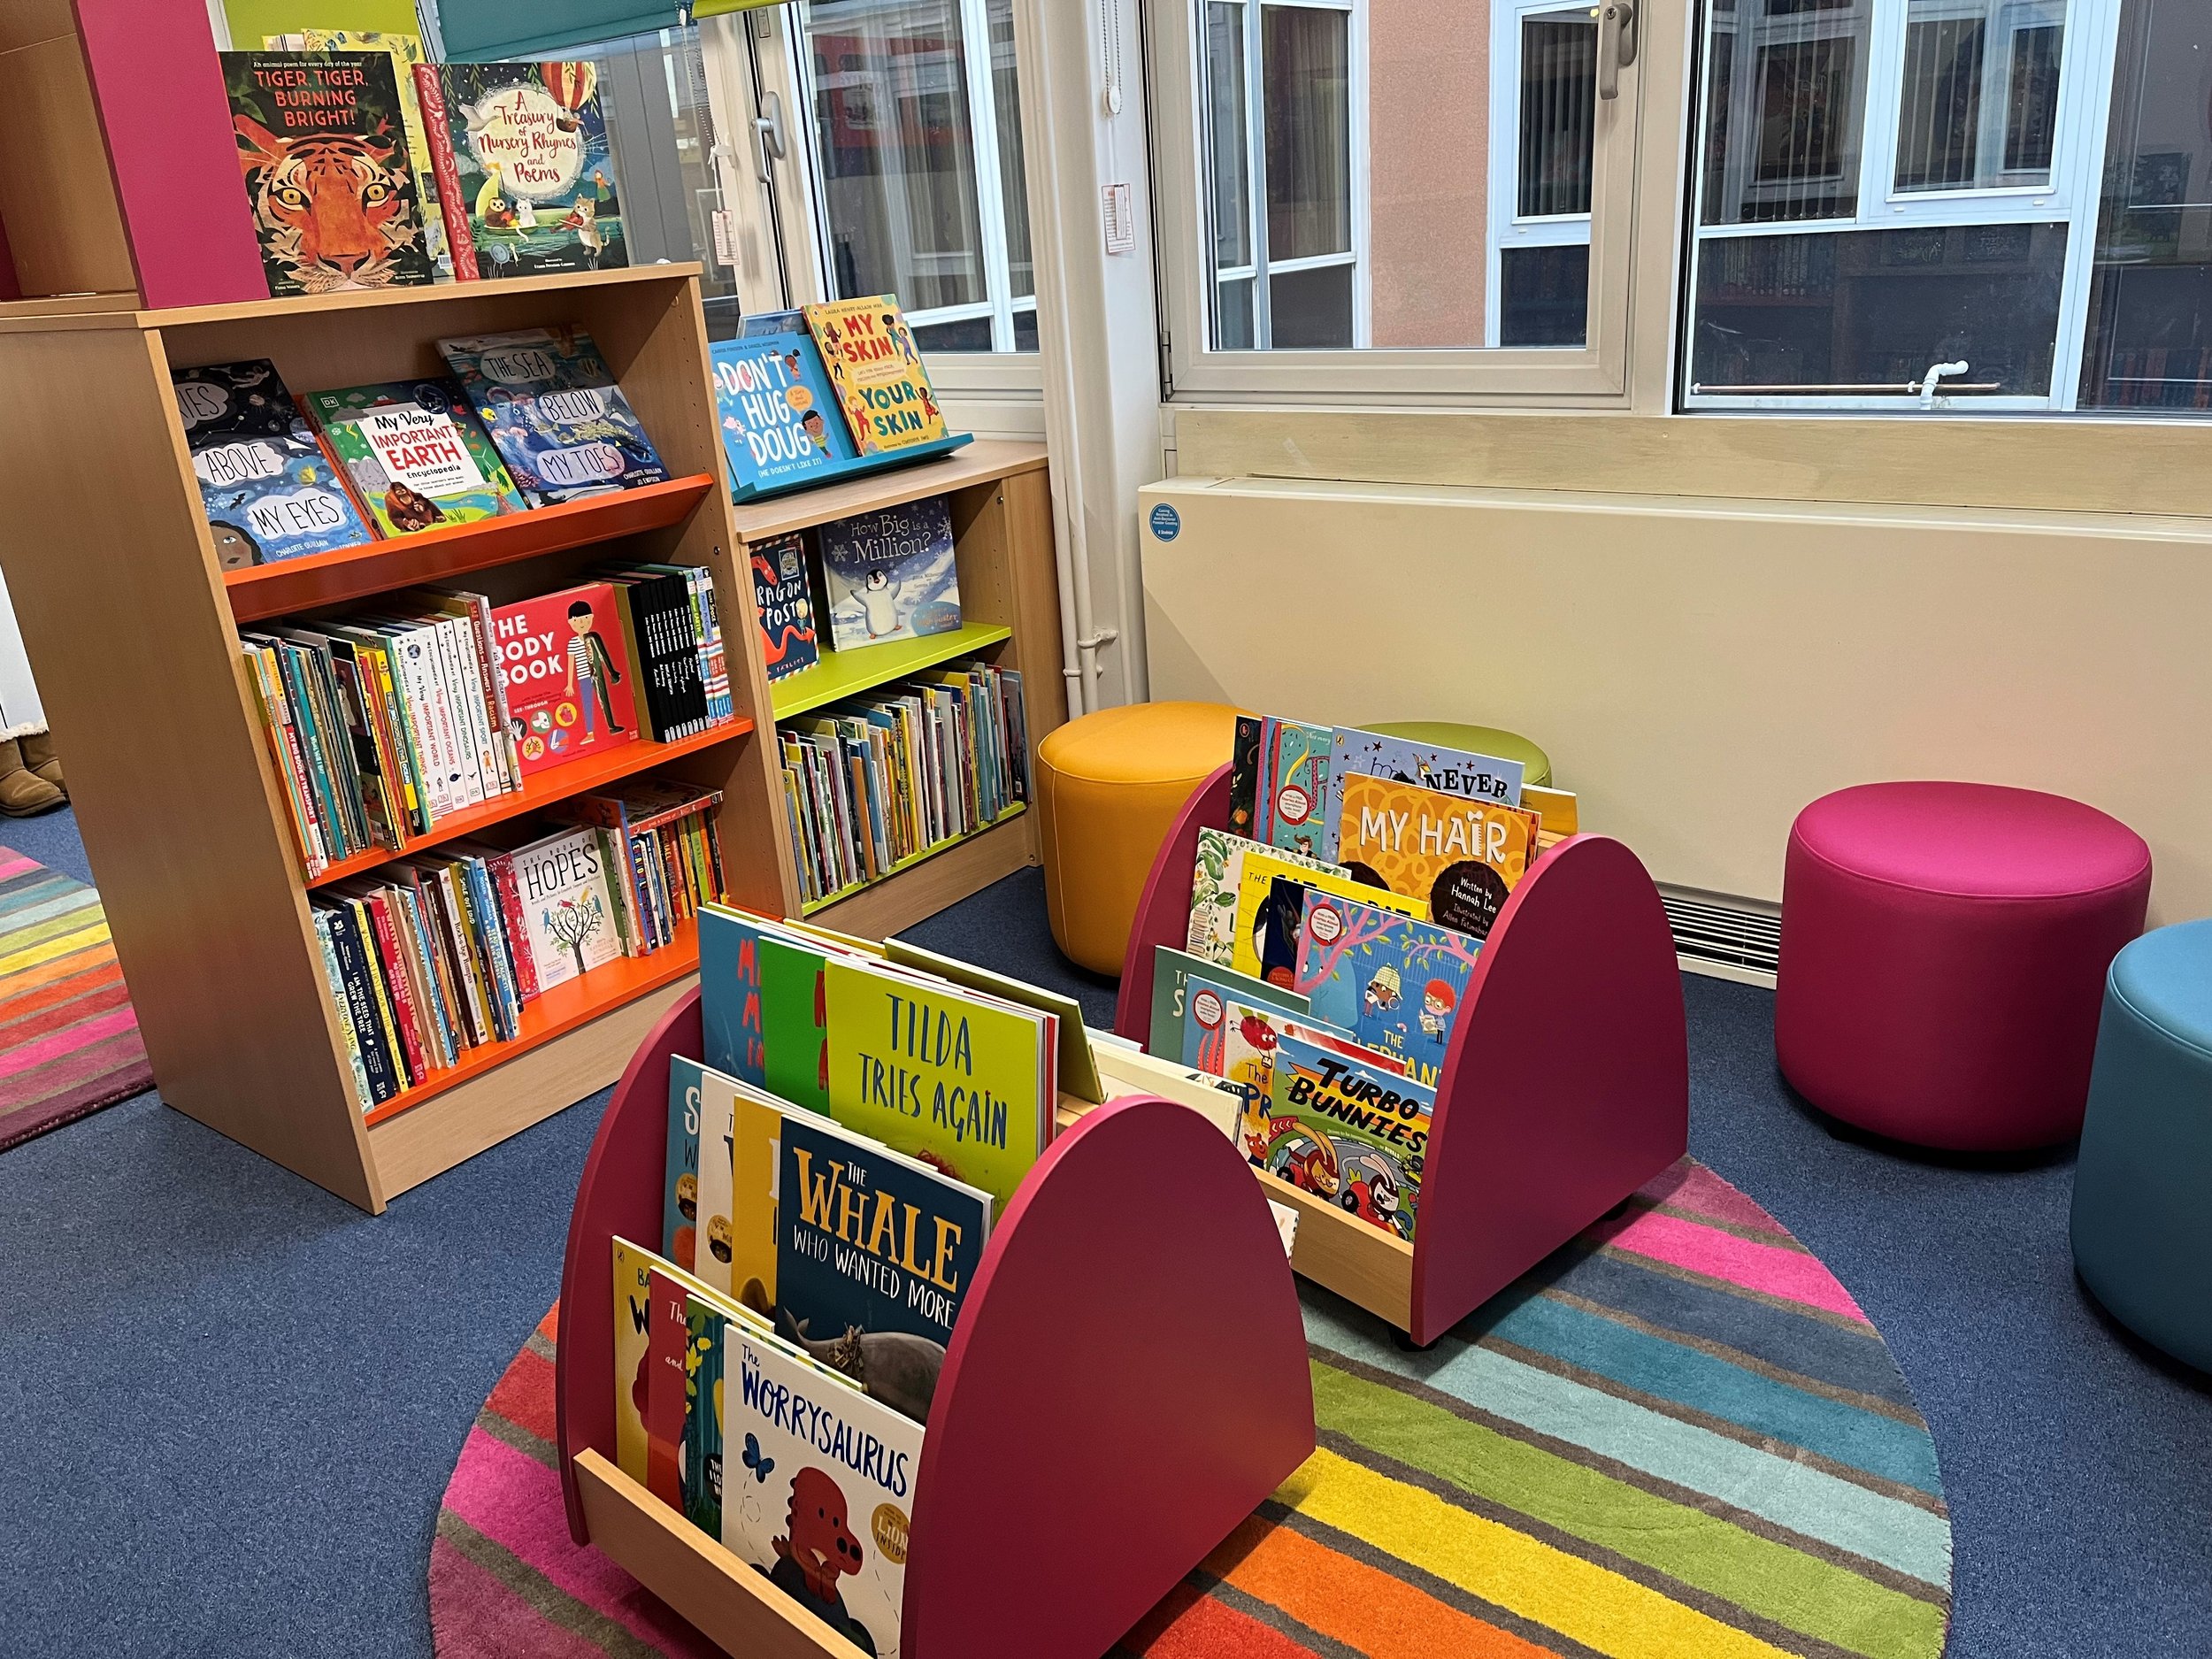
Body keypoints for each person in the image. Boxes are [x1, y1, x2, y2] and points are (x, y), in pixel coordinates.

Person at [564, 598, 626, 740]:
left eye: (585, 618)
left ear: (591, 618)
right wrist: (569, 683)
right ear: (571, 623)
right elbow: (571, 662)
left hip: (596, 673)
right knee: (588, 703)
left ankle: (610, 726)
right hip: (583, 676)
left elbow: (603, 655)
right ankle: (590, 733)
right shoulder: (572, 643)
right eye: (577, 620)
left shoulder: (592, 637)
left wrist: (611, 672)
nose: (581, 623)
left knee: (603, 699)